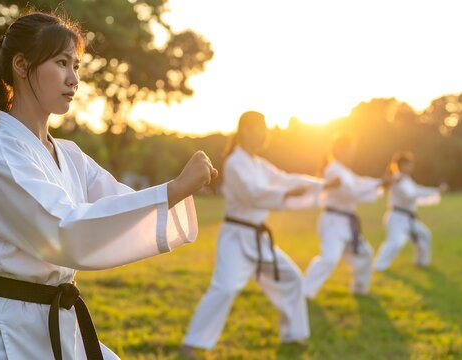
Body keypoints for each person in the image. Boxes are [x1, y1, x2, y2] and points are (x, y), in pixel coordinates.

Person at [0, 12, 217, 360]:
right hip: (4, 334)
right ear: (21, 66)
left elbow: (118, 205)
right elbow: (64, 229)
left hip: (54, 323)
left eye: (76, 66)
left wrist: (174, 192)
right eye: (61, 63)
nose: (73, 79)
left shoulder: (68, 154)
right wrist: (173, 190)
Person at [180, 111, 338, 356]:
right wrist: (285, 195)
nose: (265, 134)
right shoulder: (234, 162)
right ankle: (192, 343)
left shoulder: (259, 164)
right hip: (236, 236)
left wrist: (321, 185)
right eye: (260, 128)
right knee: (225, 288)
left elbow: (286, 179)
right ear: (245, 130)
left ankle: (293, 335)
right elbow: (252, 193)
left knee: (292, 278)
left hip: (259, 239)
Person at [302, 134, 390, 299]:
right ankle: (304, 292)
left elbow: (360, 183)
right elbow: (351, 192)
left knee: (365, 254)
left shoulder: (345, 171)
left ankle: (359, 290)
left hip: (346, 223)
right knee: (329, 259)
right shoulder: (333, 170)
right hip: (333, 223)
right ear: (340, 150)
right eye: (350, 151)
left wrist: (380, 183)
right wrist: (379, 184)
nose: (353, 155)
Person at [373, 152, 444, 271]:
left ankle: (421, 262)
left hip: (408, 217)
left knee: (425, 235)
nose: (411, 167)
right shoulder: (396, 179)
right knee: (396, 243)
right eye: (409, 165)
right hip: (397, 217)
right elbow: (410, 195)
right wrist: (434, 191)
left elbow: (417, 191)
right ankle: (378, 266)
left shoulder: (407, 180)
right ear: (402, 165)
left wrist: (436, 190)